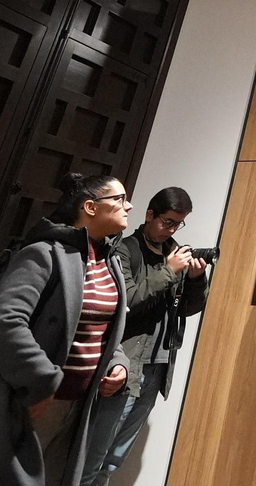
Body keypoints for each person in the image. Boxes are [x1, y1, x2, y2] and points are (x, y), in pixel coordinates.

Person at [0, 174, 132, 486]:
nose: (128, 205)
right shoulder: (45, 253)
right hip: (30, 400)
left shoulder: (110, 263)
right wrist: (43, 381)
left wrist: (119, 363)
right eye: (119, 199)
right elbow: (3, 323)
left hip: (77, 407)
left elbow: (101, 328)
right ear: (90, 207)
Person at [84, 187, 211, 486]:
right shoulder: (125, 250)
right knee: (94, 452)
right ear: (149, 214)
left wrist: (195, 280)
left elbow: (188, 309)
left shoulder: (175, 253)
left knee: (117, 456)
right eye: (167, 222)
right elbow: (127, 298)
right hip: (127, 362)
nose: (171, 230)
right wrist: (168, 271)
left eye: (178, 224)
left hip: (158, 365)